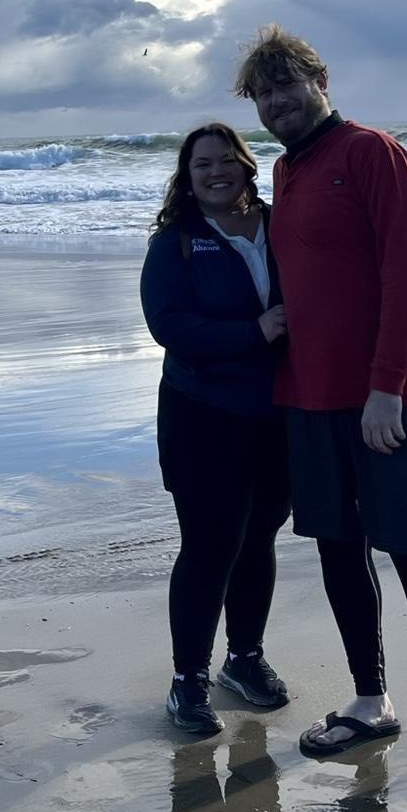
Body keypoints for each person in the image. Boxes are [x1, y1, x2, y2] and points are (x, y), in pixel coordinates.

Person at [233, 25, 407, 808]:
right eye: (262, 93)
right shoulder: (286, 170)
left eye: (286, 84)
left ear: (320, 80)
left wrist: (387, 385)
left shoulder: (374, 153)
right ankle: (371, 702)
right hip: (314, 401)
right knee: (340, 552)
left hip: (396, 399)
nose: (276, 102)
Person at [140, 122, 292, 737]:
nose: (215, 172)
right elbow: (168, 326)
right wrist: (253, 332)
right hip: (200, 414)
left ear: (247, 166)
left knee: (260, 539)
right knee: (210, 545)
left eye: (226, 160)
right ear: (188, 176)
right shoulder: (175, 241)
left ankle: (244, 659)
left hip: (278, 413)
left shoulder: (283, 224)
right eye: (202, 164)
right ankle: (188, 681)